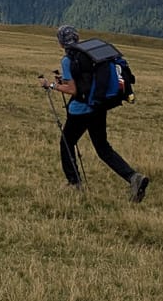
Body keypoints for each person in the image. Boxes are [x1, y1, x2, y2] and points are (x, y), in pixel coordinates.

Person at [44, 25, 149, 201]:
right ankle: (133, 177)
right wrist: (66, 81)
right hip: (98, 106)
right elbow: (86, 82)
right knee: (103, 148)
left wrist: (52, 86)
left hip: (80, 110)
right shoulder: (92, 55)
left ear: (61, 43)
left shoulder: (68, 60)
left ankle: (74, 183)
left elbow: (73, 90)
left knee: (66, 143)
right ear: (77, 38)